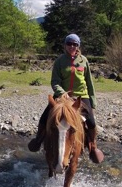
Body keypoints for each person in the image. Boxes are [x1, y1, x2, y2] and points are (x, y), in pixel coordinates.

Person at [28, 33, 105, 164]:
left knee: (91, 122)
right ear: (65, 45)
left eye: (75, 44)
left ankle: (93, 147)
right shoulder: (59, 61)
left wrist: (92, 101)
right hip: (62, 96)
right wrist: (62, 93)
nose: (72, 46)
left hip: (81, 95)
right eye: (69, 44)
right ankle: (38, 140)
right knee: (44, 117)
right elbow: (55, 81)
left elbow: (89, 82)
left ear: (78, 46)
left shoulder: (84, 61)